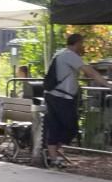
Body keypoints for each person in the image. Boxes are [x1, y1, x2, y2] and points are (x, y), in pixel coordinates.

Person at [43, 33, 112, 167]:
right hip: (61, 98)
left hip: (54, 95)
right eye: (82, 44)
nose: (83, 47)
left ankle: (53, 157)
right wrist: (108, 85)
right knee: (70, 127)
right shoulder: (70, 55)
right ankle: (53, 154)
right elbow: (90, 72)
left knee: (56, 126)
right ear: (77, 43)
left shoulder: (60, 53)